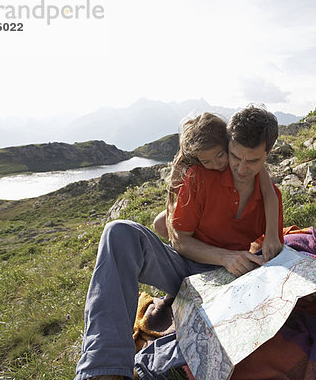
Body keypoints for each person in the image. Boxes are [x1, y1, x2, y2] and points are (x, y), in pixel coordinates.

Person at [75, 105, 283, 380]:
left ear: (267, 156)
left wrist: (260, 253)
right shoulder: (201, 174)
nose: (242, 168)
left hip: (226, 284)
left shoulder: (271, 197)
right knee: (119, 231)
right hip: (184, 267)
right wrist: (225, 257)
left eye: (253, 161)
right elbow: (180, 242)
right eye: (234, 156)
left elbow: (271, 254)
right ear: (228, 145)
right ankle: (105, 371)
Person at [152, 112, 283, 263]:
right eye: (235, 157)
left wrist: (272, 233)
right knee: (161, 223)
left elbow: (268, 191)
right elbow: (179, 237)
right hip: (193, 226)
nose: (241, 169)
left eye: (220, 156)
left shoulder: (261, 178)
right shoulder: (196, 173)